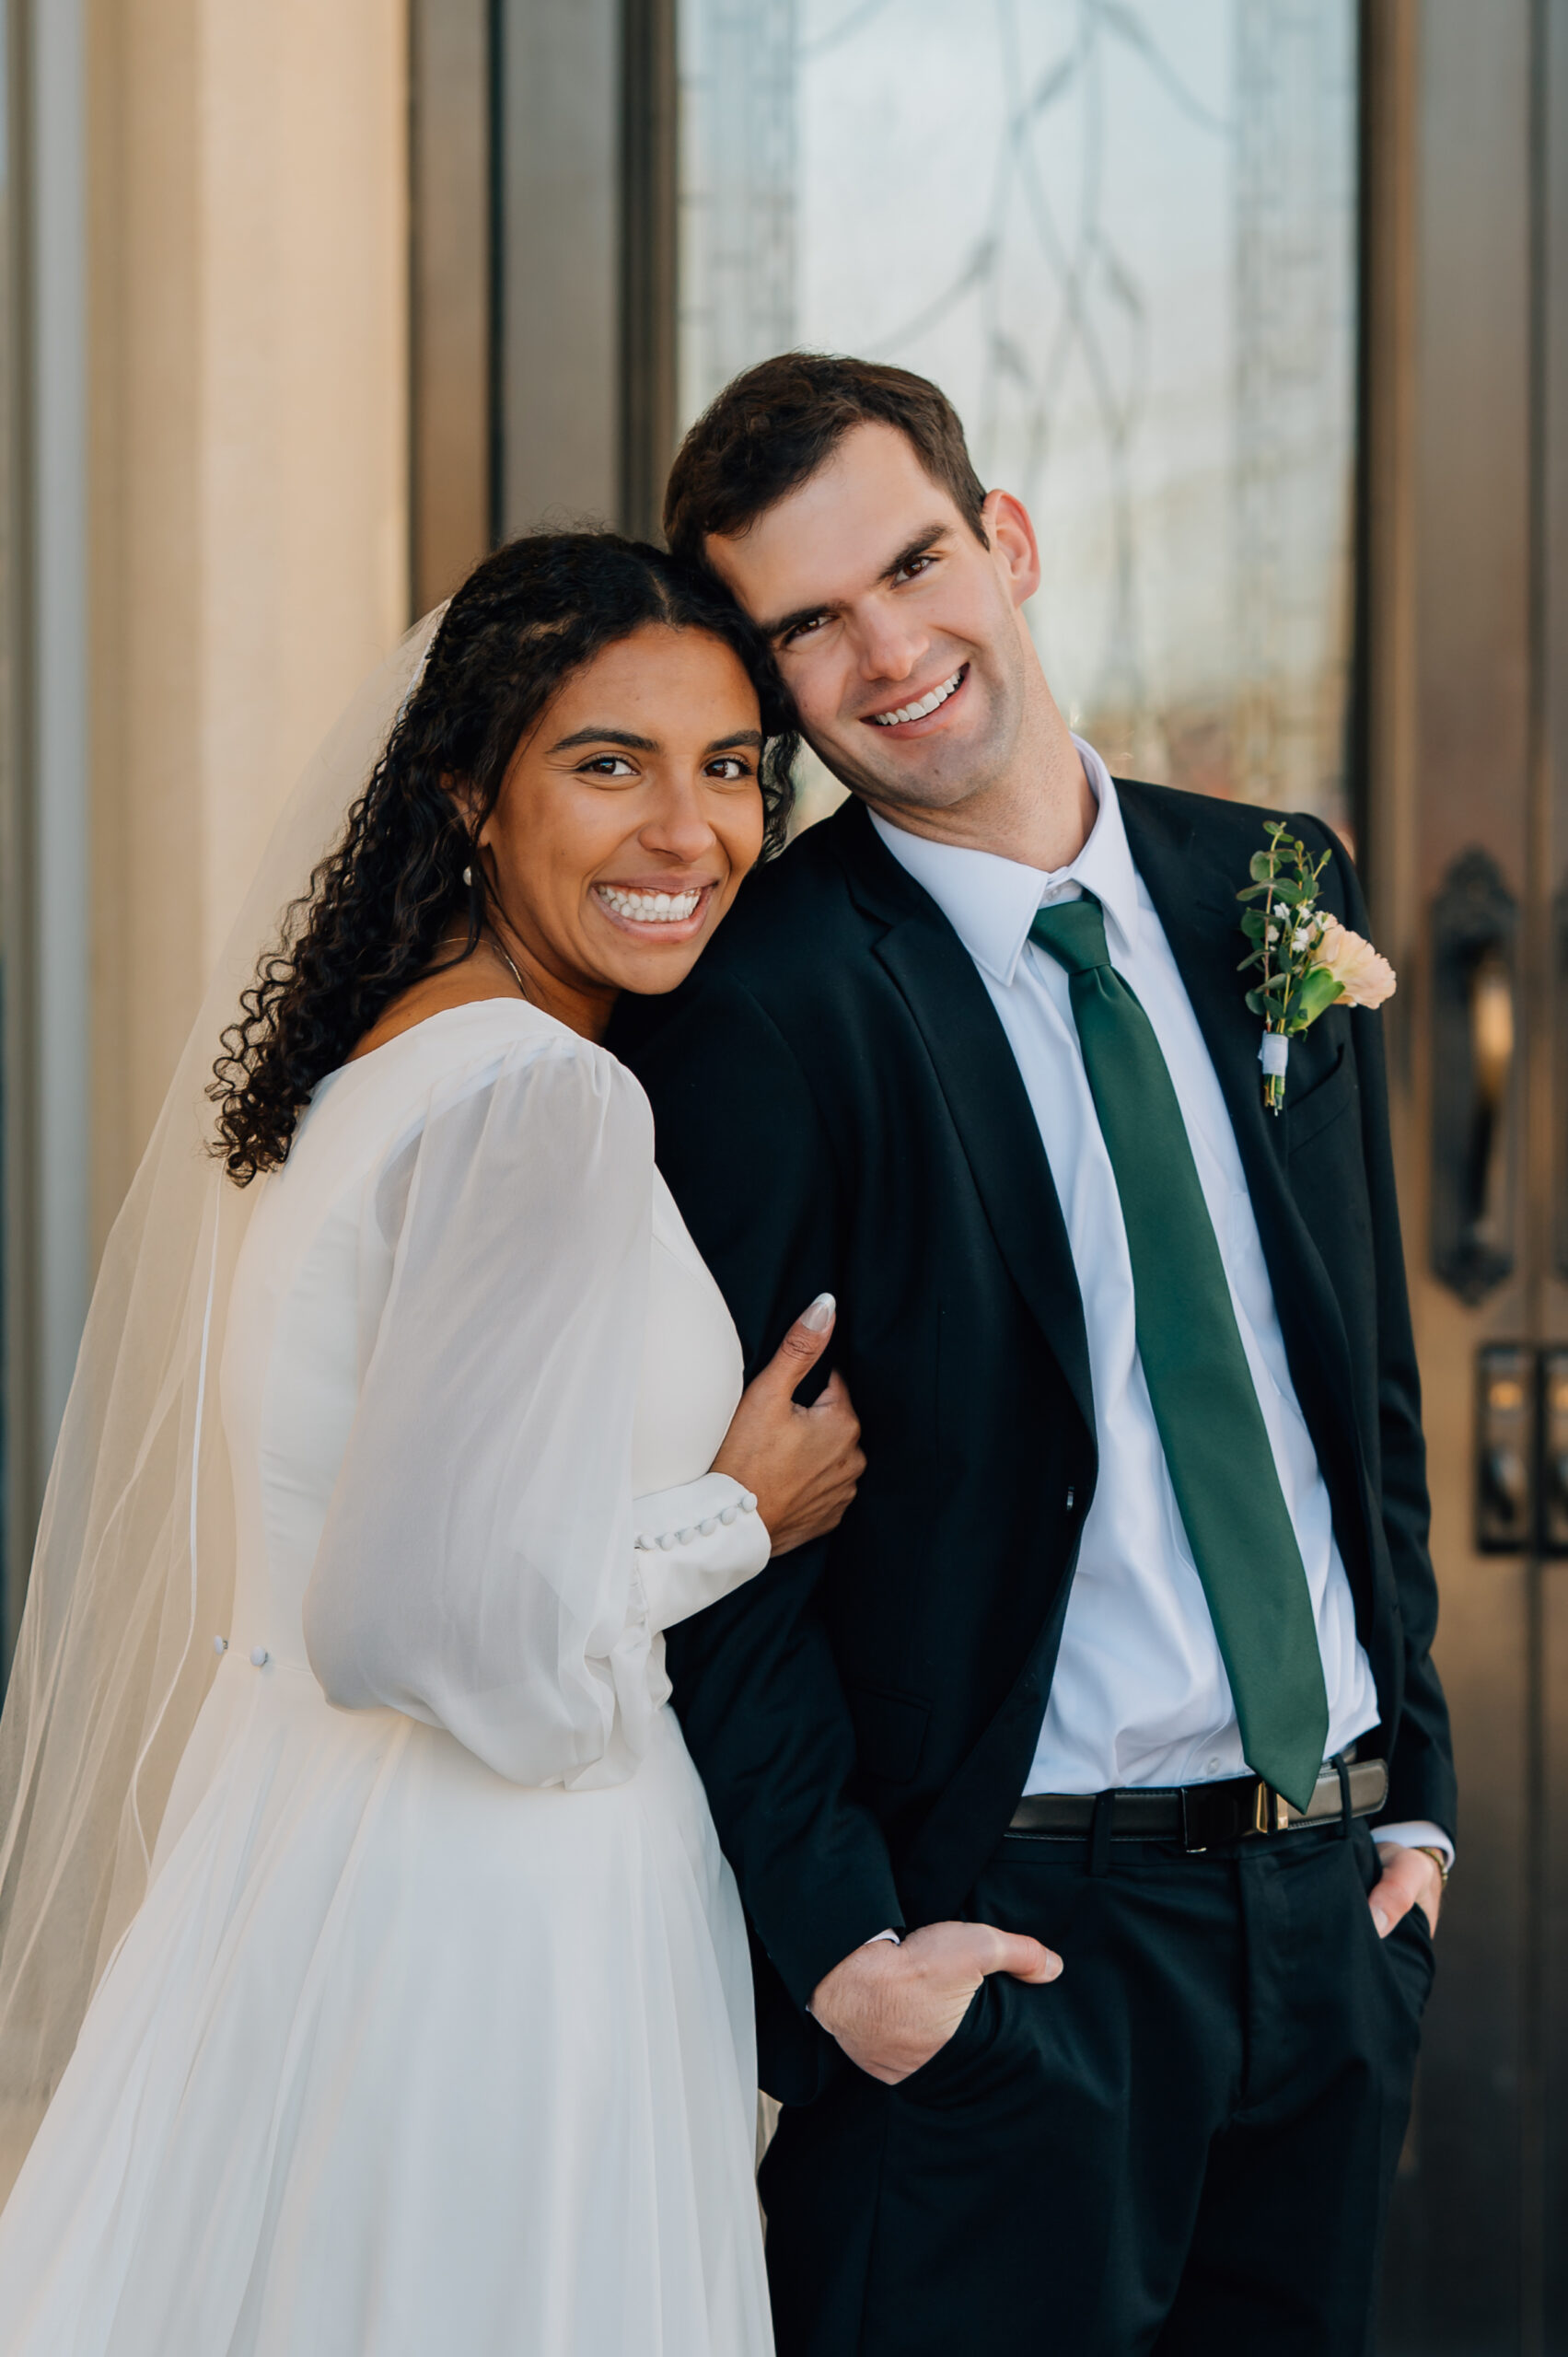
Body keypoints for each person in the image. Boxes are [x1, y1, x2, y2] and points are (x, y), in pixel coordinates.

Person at [610, 354, 1457, 2355]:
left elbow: (1355, 1387)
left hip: (1330, 1922)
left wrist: (1413, 1806)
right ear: (775, 685)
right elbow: (723, 1536)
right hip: (1009, 1958)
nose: (889, 654)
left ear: (1008, 540)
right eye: (810, 625)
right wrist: (851, 1955)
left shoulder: (1267, 886)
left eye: (914, 565)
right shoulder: (762, 1002)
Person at [0, 530, 864, 2355]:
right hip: (491, 1914)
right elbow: (417, 1619)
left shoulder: (383, 1070)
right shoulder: (543, 1098)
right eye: (610, 763)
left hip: (308, 1861)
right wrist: (738, 1512)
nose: (689, 832)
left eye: (729, 768)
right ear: (470, 788)